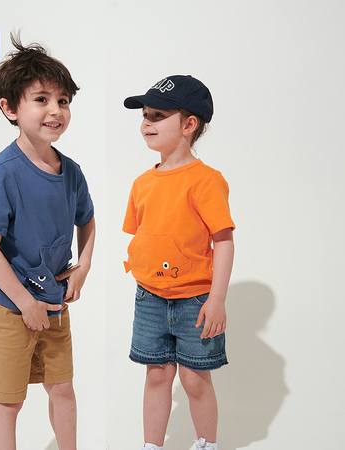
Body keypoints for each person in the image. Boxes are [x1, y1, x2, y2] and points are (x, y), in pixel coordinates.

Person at [0, 33, 95, 450]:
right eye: (41, 99)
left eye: (63, 100)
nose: (55, 110)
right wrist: (25, 302)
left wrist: (83, 267)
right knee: (9, 401)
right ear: (10, 108)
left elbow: (88, 221)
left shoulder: (71, 172)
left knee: (62, 388)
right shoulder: (3, 173)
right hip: (9, 304)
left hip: (53, 301)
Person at [122, 75, 235, 450]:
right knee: (157, 375)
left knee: (194, 379)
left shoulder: (206, 181)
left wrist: (216, 300)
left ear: (189, 125)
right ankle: (151, 446)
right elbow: (145, 234)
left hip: (195, 302)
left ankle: (207, 444)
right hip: (150, 298)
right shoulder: (142, 183)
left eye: (158, 115)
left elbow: (224, 242)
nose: (147, 122)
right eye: (145, 114)